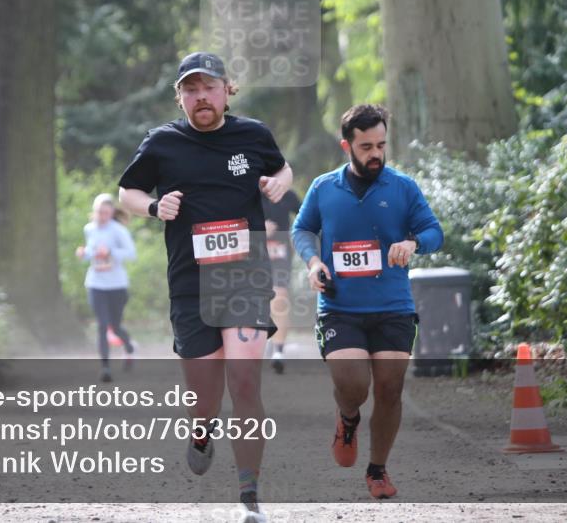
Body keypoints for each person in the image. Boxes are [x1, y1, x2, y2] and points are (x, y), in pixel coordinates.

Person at [118, 51, 292, 523]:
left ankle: (249, 497)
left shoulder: (252, 135)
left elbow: (282, 167)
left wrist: (279, 184)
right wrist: (155, 208)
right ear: (180, 97)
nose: (201, 97)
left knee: (244, 381)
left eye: (208, 87)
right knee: (204, 398)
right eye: (191, 90)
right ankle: (200, 431)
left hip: (245, 274)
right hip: (190, 281)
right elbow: (126, 193)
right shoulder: (162, 144)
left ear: (225, 90)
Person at [291, 104, 443, 499]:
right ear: (347, 145)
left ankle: (377, 470)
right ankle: (348, 418)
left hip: (393, 304)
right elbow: (303, 228)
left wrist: (413, 242)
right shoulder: (324, 188)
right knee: (354, 385)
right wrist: (313, 262)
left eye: (381, 145)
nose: (376, 153)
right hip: (340, 306)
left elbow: (433, 231)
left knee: (390, 389)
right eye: (366, 146)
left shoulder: (403, 187)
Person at [76, 193, 137, 382]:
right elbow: (91, 253)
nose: (101, 216)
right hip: (95, 284)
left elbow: (131, 254)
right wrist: (84, 253)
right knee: (102, 325)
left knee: (115, 326)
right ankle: (105, 368)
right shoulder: (89, 229)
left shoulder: (118, 230)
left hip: (117, 285)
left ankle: (129, 348)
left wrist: (111, 252)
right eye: (98, 212)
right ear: (93, 212)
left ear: (111, 213)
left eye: (104, 212)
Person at [260, 189, 301, 374]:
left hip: (280, 254)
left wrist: (296, 235)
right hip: (253, 253)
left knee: (280, 298)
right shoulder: (245, 192)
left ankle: (278, 352)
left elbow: (306, 218)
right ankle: (265, 340)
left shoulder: (287, 194)